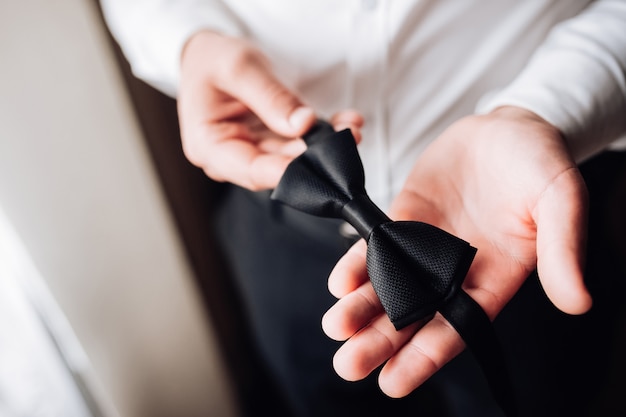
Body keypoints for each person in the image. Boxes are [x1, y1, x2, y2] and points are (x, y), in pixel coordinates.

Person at [101, 1, 626, 416]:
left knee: (543, 394)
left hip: (514, 229)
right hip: (279, 218)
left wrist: (545, 108)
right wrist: (187, 41)